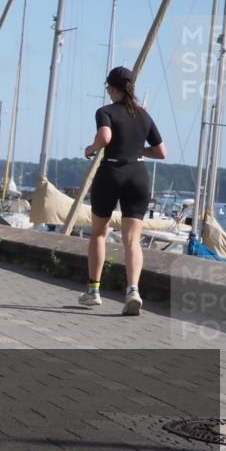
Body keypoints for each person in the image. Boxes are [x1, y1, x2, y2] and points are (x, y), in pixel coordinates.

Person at [80, 66, 166, 315]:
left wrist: (90, 148)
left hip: (112, 172)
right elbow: (161, 152)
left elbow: (105, 137)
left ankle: (94, 291)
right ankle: (133, 290)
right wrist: (139, 150)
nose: (107, 92)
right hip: (137, 175)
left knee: (99, 232)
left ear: (113, 88)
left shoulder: (105, 111)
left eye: (108, 87)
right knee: (132, 240)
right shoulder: (144, 116)